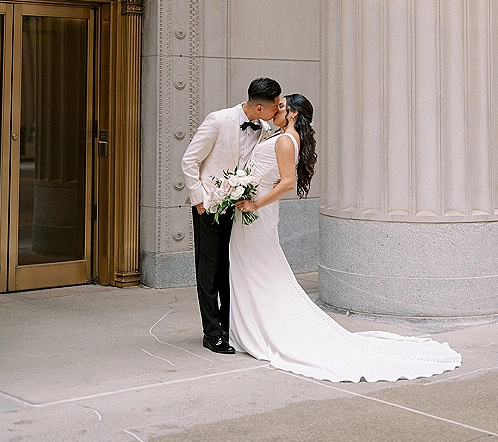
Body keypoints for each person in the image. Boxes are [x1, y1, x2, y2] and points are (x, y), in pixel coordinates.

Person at [230, 94, 462, 382]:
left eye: (281, 106)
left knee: (259, 270)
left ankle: (261, 328)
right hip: (253, 213)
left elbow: (287, 183)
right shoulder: (281, 136)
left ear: (293, 114)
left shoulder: (286, 141)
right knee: (254, 269)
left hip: (256, 214)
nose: (277, 109)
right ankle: (248, 325)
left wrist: (254, 203)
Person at [181, 77, 281, 354]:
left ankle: (228, 326)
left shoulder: (263, 128)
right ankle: (212, 333)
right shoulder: (218, 120)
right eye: (275, 106)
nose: (277, 111)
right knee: (209, 269)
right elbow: (189, 160)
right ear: (260, 108)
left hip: (240, 208)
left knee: (231, 268)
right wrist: (199, 199)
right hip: (209, 207)